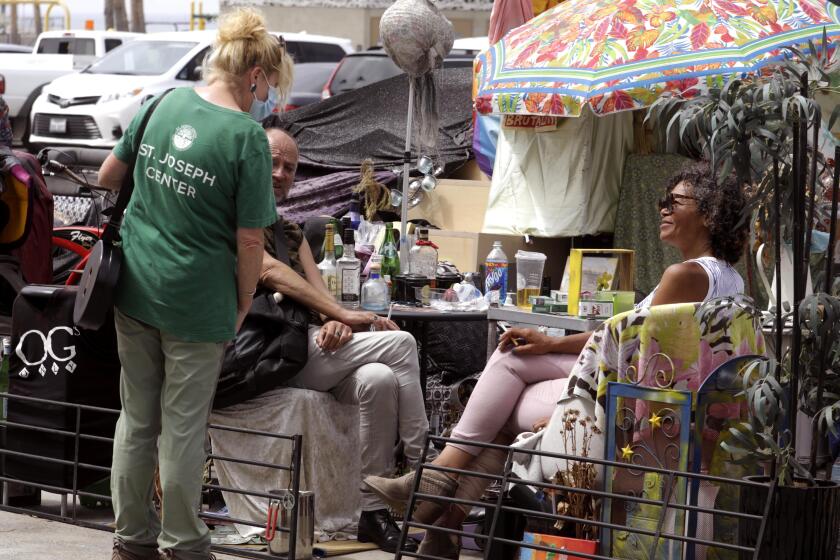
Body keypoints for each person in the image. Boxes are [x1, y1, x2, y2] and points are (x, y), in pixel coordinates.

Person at [364, 161, 750, 557]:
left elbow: (634, 354)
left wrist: (552, 351)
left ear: (708, 213)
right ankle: (443, 519)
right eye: (662, 200)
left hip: (625, 403)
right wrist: (548, 343)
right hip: (645, 395)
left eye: (676, 201)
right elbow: (619, 339)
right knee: (512, 366)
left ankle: (436, 483)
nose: (663, 208)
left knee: (507, 375)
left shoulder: (683, 275)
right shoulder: (729, 278)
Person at [97, 9, 292, 560]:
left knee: (136, 418)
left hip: (134, 287)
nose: (268, 95)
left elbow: (110, 175)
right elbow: (252, 241)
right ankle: (183, 542)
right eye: (270, 84)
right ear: (254, 72)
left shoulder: (164, 102)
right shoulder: (246, 138)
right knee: (182, 428)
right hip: (198, 303)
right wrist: (244, 301)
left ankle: (131, 538)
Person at [254, 117, 428, 553]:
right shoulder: (237, 221)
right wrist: (347, 317)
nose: (280, 174)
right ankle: (428, 473)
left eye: (290, 168)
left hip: (307, 346)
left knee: (379, 380)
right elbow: (267, 273)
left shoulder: (292, 232)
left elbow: (317, 296)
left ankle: (372, 511)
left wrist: (332, 319)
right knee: (402, 342)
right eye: (272, 162)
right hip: (266, 355)